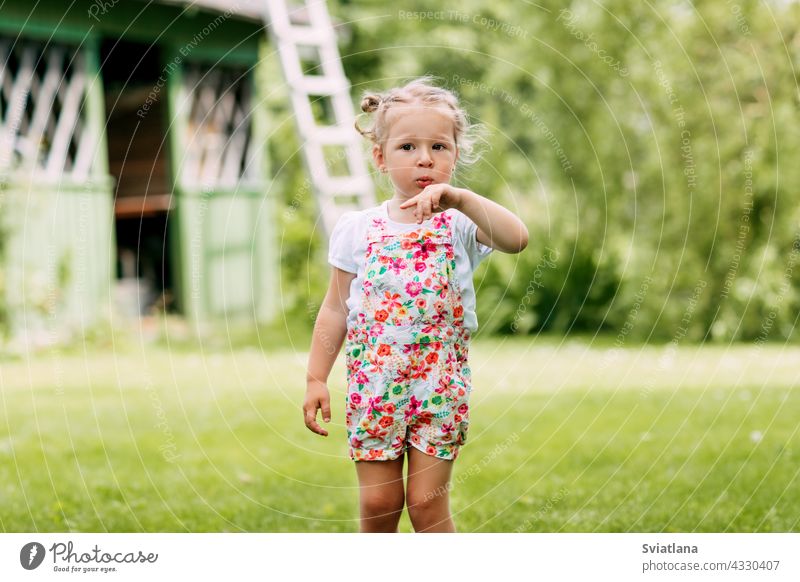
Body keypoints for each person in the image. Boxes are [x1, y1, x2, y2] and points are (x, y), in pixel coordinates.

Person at [303, 77, 528, 533]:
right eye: (408, 146)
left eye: (439, 147)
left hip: (438, 387)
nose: (425, 158)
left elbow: (517, 239)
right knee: (380, 504)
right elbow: (335, 309)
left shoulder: (460, 223)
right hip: (375, 388)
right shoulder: (357, 229)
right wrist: (315, 377)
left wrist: (461, 200)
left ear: (455, 157)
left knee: (426, 505)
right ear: (381, 157)